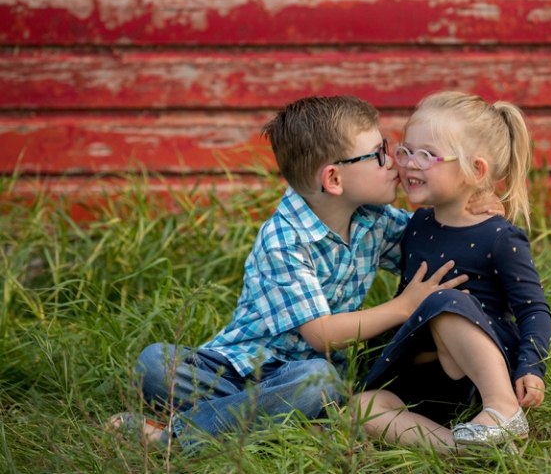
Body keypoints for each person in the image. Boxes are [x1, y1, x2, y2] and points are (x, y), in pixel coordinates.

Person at [107, 95, 499, 451]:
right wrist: (403, 307)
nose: (394, 162)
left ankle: (197, 429)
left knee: (315, 381)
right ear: (333, 179)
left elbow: (430, 247)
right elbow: (322, 334)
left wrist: (468, 207)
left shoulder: (373, 219)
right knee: (154, 363)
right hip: (238, 369)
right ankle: (259, 422)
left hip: (305, 376)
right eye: (379, 154)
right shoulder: (284, 240)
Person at [352, 91, 551, 453]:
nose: (410, 164)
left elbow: (532, 309)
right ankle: (463, 448)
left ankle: (502, 409)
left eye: (426, 155)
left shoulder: (498, 236)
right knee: (361, 408)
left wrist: (531, 368)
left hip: (484, 369)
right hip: (431, 369)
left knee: (443, 298)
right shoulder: (417, 224)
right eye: (406, 151)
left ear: (476, 171)